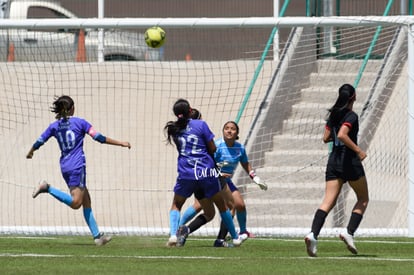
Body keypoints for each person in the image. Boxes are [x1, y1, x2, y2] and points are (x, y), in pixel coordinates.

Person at [27, 95, 131, 246]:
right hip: (77, 166)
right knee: (76, 203)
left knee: (86, 199)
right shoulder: (81, 123)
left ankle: (97, 237)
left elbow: (40, 141)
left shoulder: (54, 126)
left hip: (65, 166)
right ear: (72, 109)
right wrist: (121, 143)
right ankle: (47, 188)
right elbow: (99, 137)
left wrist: (31, 151)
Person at [164, 99, 246, 247]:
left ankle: (173, 234)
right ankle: (234, 237)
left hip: (186, 171)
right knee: (224, 206)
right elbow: (213, 148)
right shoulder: (201, 125)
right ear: (190, 111)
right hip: (206, 171)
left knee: (177, 204)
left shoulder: (173, 129)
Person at [179, 120, 268, 248]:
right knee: (205, 206)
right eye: (226, 128)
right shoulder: (217, 145)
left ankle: (241, 232)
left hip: (226, 181)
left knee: (239, 204)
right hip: (212, 178)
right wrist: (218, 173)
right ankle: (181, 229)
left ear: (237, 132)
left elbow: (245, 164)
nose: (229, 130)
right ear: (223, 131)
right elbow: (208, 162)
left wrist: (255, 177)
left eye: (232, 128)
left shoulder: (240, 148)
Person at [304, 84, 369, 257]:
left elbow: (326, 138)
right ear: (353, 97)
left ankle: (313, 234)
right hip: (349, 162)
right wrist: (358, 150)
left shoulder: (333, 114)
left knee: (328, 201)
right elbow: (341, 134)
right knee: (363, 198)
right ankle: (349, 232)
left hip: (334, 161)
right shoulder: (351, 115)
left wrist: (333, 129)